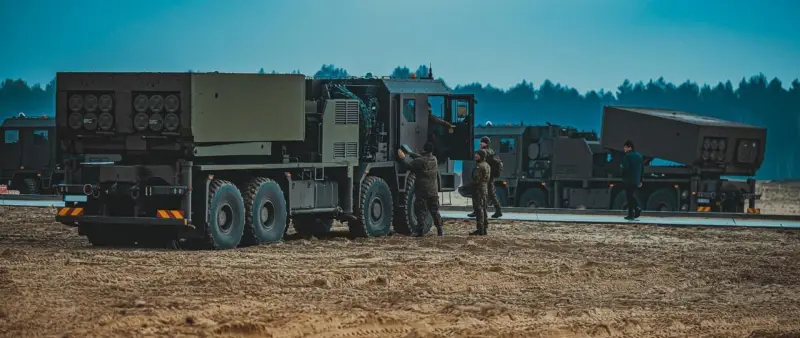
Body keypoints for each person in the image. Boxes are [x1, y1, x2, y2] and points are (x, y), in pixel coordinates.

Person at [397, 142, 444, 237]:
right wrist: (410, 153)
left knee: (420, 211)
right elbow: (421, 158)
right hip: (433, 191)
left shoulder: (420, 161)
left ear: (424, 150)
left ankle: (420, 231)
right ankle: (440, 230)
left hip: (422, 191)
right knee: (435, 211)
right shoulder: (434, 159)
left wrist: (402, 158)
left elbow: (408, 166)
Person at [468, 136, 503, 219]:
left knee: (478, 194)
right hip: (490, 176)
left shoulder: (483, 152)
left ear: (486, 143)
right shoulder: (491, 151)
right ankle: (498, 211)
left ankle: (477, 211)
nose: (480, 143)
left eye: (482, 142)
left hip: (484, 176)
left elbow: (480, 163)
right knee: (491, 194)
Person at [466, 149, 491, 235]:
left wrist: (467, 185)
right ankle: (484, 228)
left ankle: (480, 230)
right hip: (484, 189)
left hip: (478, 190)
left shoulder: (479, 166)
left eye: (478, 154)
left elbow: (475, 179)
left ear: (482, 156)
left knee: (478, 210)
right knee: (484, 209)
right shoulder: (487, 165)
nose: (475, 156)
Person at [621, 140, 644, 220]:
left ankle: (637, 208)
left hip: (628, 180)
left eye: (625, 147)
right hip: (636, 180)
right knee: (630, 196)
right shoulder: (639, 156)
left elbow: (626, 168)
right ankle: (630, 214)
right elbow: (642, 170)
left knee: (629, 196)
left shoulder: (627, 156)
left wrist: (622, 175)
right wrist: (640, 180)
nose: (624, 149)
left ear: (629, 147)